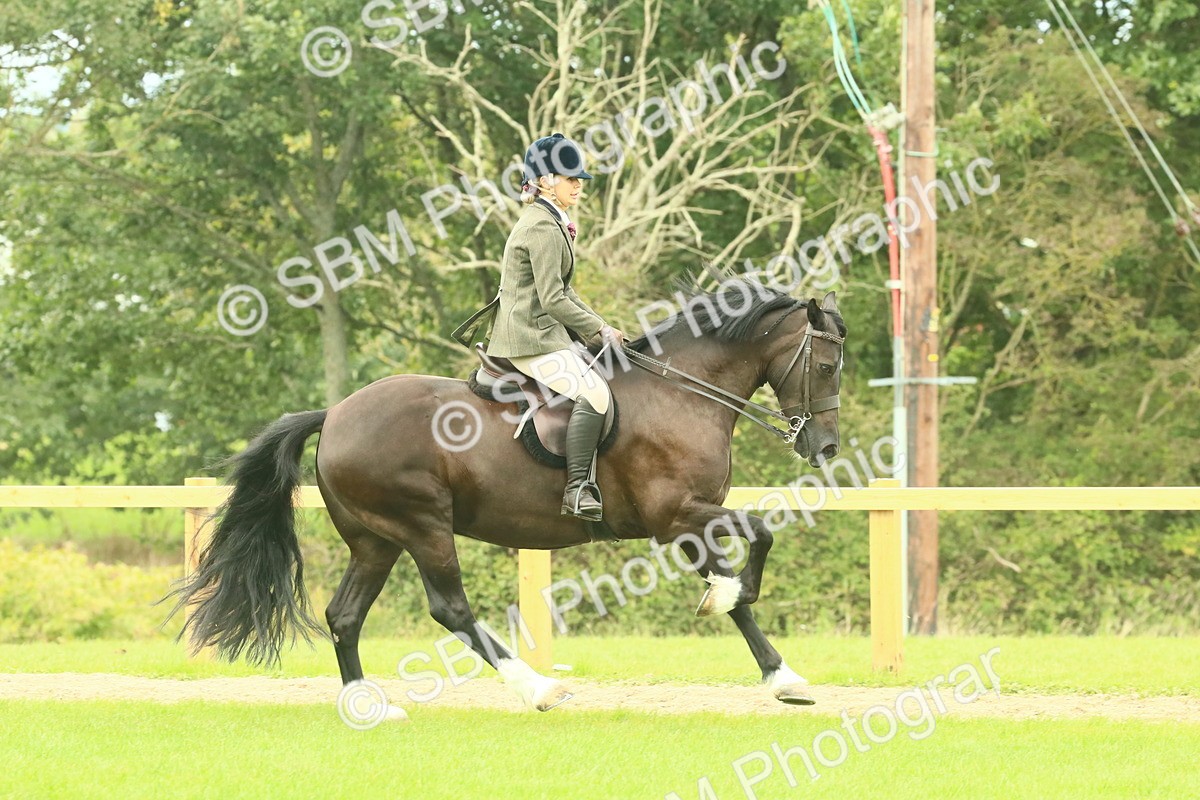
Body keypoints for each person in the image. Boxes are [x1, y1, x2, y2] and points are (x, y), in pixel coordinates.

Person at [484, 132, 627, 522]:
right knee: (595, 394)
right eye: (570, 178)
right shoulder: (543, 227)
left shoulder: (549, 219)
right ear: (546, 179)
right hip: (529, 339)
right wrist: (599, 330)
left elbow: (567, 290)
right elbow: (552, 300)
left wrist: (603, 329)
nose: (578, 185)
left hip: (542, 332)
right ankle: (578, 489)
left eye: (579, 178)